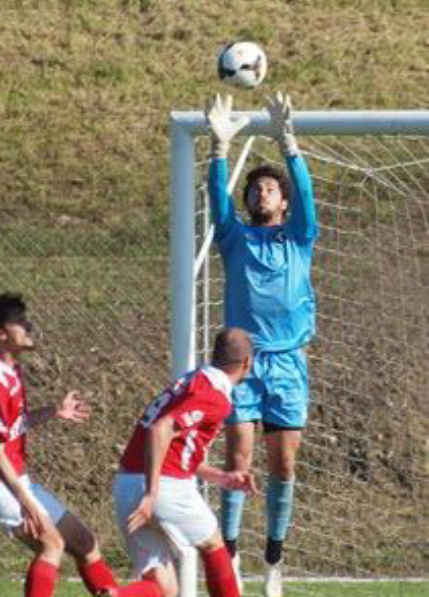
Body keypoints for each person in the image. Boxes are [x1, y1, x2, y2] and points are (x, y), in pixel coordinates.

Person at [0, 292, 163, 597]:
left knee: (84, 543)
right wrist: (27, 503)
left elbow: (11, 425)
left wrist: (54, 411)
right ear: (0, 334)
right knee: (51, 543)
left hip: (13, 476)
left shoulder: (9, 369)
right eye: (19, 322)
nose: (28, 326)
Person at [206, 93, 319, 597]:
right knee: (237, 462)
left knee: (284, 465)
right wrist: (217, 149)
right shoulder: (235, 239)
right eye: (254, 190)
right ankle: (227, 556)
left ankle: (273, 559)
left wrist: (289, 144)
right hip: (242, 368)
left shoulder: (299, 237)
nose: (260, 194)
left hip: (289, 365)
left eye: (270, 188)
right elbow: (217, 201)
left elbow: (309, 198)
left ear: (284, 201)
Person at [112, 328, 256, 597]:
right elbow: (160, 430)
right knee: (214, 546)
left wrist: (221, 477)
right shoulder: (215, 396)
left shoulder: (188, 381)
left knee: (163, 590)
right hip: (162, 488)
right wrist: (151, 494)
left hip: (126, 484)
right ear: (247, 363)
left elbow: (171, 448)